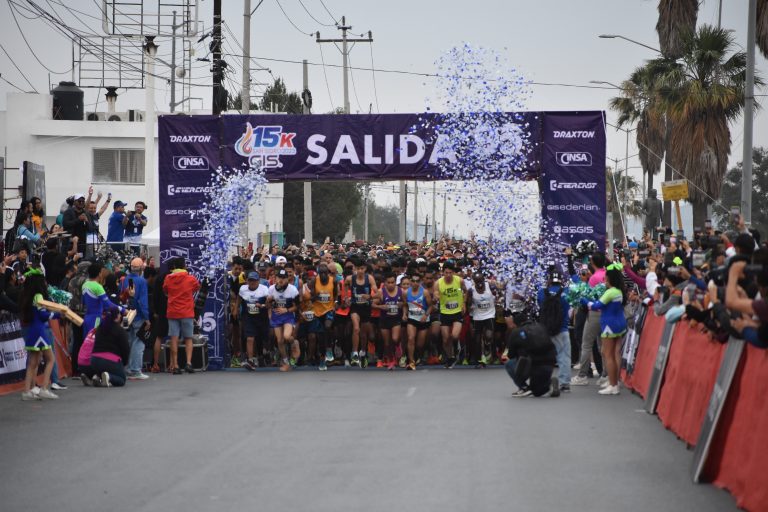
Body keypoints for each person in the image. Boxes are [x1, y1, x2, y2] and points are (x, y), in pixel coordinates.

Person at [581, 262, 628, 395]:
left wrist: (585, 301)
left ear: (610, 279)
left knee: (608, 355)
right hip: (619, 323)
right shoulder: (619, 291)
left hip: (609, 325)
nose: (604, 280)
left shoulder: (611, 292)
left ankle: (613, 385)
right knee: (615, 354)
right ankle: (615, 382)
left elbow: (596, 306)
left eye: (606, 278)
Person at [19, 269, 60, 400]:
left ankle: (27, 391)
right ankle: (44, 388)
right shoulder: (38, 296)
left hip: (33, 329)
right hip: (40, 331)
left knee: (33, 363)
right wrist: (58, 314)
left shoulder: (27, 295)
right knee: (50, 359)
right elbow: (42, 315)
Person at [504, 311, 560, 398]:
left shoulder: (516, 332)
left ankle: (524, 387)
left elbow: (510, 355)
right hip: (550, 362)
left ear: (516, 323)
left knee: (509, 364)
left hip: (533, 364)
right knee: (538, 391)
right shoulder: (541, 326)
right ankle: (549, 384)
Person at [163, 257, 201, 374]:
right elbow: (197, 287)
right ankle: (188, 363)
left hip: (173, 312)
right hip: (187, 312)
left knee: (174, 338)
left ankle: (175, 365)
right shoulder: (190, 278)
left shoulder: (168, 278)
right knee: (188, 338)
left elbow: (165, 291)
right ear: (184, 266)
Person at [537, 272, 571, 392]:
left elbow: (540, 305)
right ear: (560, 280)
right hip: (562, 329)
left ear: (549, 280)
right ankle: (564, 383)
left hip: (545, 331)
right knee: (564, 356)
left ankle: (543, 381)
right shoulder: (566, 292)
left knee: (544, 357)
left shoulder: (542, 293)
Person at [120, 257, 150, 380]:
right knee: (139, 343)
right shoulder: (141, 281)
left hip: (127, 314)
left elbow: (129, 297)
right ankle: (136, 369)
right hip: (138, 315)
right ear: (141, 268)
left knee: (130, 341)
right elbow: (142, 301)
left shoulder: (126, 280)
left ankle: (129, 368)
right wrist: (146, 317)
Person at [433, 261, 466, 368]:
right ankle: (450, 357)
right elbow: (436, 293)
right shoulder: (438, 283)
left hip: (457, 311)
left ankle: (458, 347)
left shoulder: (459, 280)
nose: (448, 275)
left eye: (450, 273)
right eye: (446, 273)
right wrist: (436, 296)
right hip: (444, 312)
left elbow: (465, 292)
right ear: (443, 273)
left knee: (455, 335)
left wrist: (464, 304)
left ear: (453, 273)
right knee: (446, 338)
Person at [345, 257, 377, 366]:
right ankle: (354, 352)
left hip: (366, 307)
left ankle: (363, 351)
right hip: (355, 307)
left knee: (363, 334)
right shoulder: (350, 279)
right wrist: (346, 298)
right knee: (356, 328)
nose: (360, 271)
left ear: (365, 269)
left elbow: (376, 291)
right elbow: (345, 285)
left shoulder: (370, 278)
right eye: (358, 268)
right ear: (355, 268)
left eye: (362, 269)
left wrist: (370, 295)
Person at [267, 268, 300, 372]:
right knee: (280, 341)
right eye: (279, 277)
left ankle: (294, 342)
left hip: (288, 316)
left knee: (286, 337)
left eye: (283, 278)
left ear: (287, 279)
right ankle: (286, 362)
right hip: (276, 316)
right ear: (275, 278)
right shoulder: (271, 289)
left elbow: (297, 306)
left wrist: (286, 310)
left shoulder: (293, 289)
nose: (281, 280)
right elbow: (268, 305)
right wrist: (269, 301)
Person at [89, 307, 131, 387]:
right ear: (117, 316)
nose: (120, 316)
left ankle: (98, 377)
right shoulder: (120, 330)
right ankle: (109, 377)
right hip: (110, 360)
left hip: (94, 359)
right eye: (119, 314)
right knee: (121, 379)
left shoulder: (99, 328)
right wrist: (124, 363)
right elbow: (126, 349)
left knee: (104, 369)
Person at [236, 272, 269, 371]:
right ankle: (250, 360)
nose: (252, 282)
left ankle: (264, 355)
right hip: (248, 316)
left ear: (258, 281)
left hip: (262, 316)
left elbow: (269, 304)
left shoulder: (264, 289)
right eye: (250, 280)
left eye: (254, 280)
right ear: (247, 281)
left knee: (263, 338)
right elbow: (239, 298)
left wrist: (262, 306)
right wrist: (235, 309)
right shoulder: (243, 289)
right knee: (250, 338)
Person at [307, 263, 337, 371]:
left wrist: (335, 304)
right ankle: (322, 359)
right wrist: (315, 296)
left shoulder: (333, 280)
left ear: (328, 273)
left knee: (328, 327)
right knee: (320, 337)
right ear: (318, 274)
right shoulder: (314, 281)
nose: (323, 275)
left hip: (328, 310)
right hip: (318, 312)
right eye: (321, 273)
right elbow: (312, 297)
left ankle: (329, 349)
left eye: (325, 273)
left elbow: (336, 293)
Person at [373, 271, 404, 370]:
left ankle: (397, 346)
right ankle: (391, 360)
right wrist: (381, 307)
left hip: (396, 319)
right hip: (384, 320)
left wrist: (402, 306)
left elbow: (406, 303)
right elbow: (372, 304)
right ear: (385, 283)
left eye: (392, 282)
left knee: (395, 339)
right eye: (388, 282)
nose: (391, 284)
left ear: (395, 282)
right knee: (386, 343)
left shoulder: (401, 291)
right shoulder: (381, 292)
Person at [405, 270, 432, 370]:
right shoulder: (406, 292)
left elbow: (430, 306)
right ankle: (411, 361)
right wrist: (404, 313)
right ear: (410, 282)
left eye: (417, 281)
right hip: (412, 318)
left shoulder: (424, 292)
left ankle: (417, 357)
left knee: (420, 344)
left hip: (423, 320)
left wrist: (425, 315)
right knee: (411, 338)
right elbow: (404, 305)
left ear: (420, 282)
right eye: (413, 281)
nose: (415, 283)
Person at [468, 272, 496, 368]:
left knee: (488, 335)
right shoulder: (471, 290)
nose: (479, 283)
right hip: (477, 316)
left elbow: (499, 291)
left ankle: (487, 345)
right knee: (477, 338)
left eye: (481, 281)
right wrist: (469, 305)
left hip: (489, 314)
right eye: (477, 281)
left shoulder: (489, 286)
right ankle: (480, 359)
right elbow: (468, 302)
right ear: (474, 281)